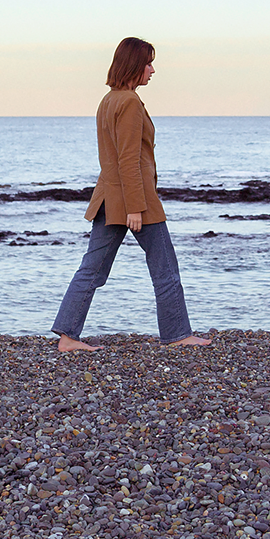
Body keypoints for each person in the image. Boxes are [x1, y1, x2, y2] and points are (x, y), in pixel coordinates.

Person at [51, 37, 212, 352]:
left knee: (92, 269)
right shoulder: (129, 103)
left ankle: (68, 337)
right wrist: (136, 208)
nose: (152, 71)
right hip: (134, 199)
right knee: (164, 267)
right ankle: (177, 334)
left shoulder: (108, 100)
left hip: (109, 198)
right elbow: (128, 159)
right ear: (134, 66)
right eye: (148, 64)